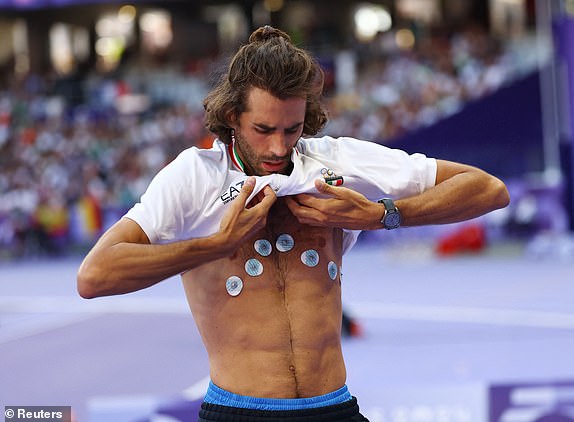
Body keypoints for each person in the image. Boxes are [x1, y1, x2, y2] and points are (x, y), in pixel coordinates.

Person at [77, 26, 510, 421]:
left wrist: (381, 215)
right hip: (239, 412)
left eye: (293, 129)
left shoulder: (334, 159)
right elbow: (94, 276)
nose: (278, 147)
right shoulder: (194, 177)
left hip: (334, 408)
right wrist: (215, 244)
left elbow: (489, 189)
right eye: (263, 129)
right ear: (232, 116)